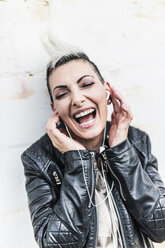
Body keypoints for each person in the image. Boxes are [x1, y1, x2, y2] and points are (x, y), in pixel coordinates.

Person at [21, 51, 165, 248]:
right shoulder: (39, 159)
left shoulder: (136, 141)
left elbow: (161, 228)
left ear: (107, 92)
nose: (77, 99)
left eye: (86, 84)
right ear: (55, 109)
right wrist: (78, 163)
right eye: (62, 94)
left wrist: (122, 151)